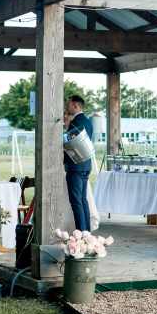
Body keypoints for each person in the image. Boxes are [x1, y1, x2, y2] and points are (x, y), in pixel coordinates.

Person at [64, 95, 94, 231]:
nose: (66, 106)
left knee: (76, 202)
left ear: (75, 105)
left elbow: (70, 142)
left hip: (76, 166)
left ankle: (81, 234)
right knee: (82, 200)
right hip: (85, 165)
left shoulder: (77, 121)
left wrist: (65, 129)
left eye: (68, 104)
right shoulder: (87, 121)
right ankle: (86, 232)